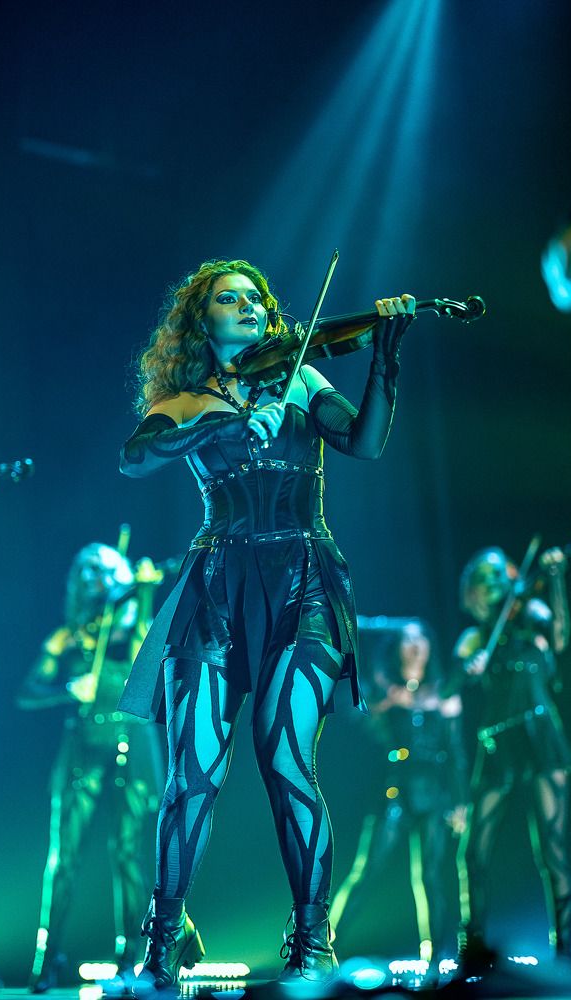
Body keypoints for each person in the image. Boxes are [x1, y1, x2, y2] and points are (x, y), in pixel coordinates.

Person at [117, 257, 416, 992]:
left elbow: (365, 442)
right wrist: (224, 420)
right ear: (202, 320)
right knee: (192, 776)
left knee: (286, 758)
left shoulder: (301, 379)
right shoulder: (184, 400)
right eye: (230, 299)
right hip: (215, 587)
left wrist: (385, 359)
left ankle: (312, 940)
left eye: (257, 298)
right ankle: (163, 938)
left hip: (304, 583)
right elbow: (136, 457)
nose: (249, 306)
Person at [18, 543, 166, 994]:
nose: (94, 580)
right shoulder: (69, 635)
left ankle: (132, 957)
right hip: (83, 746)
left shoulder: (131, 625)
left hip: (131, 743)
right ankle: (46, 961)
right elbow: (28, 691)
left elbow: (145, 653)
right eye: (87, 573)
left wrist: (142, 592)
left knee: (127, 852)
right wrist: (69, 688)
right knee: (63, 855)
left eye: (103, 571)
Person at [452, 545, 571, 973]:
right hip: (497, 742)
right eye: (489, 577)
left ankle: (564, 957)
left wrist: (555, 579)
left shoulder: (532, 617)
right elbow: (452, 682)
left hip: (540, 735)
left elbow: (560, 638)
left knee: (553, 851)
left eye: (502, 574)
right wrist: (469, 668)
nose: (501, 582)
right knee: (473, 851)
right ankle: (472, 948)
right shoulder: (476, 637)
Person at [330, 618, 467, 973]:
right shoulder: (382, 690)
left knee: (431, 875)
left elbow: (455, 751)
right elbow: (354, 701)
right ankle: (326, 947)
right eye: (408, 640)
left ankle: (435, 957)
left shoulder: (443, 692)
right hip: (393, 788)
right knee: (367, 870)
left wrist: (460, 800)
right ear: (398, 649)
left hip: (434, 791)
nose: (416, 646)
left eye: (422, 638)